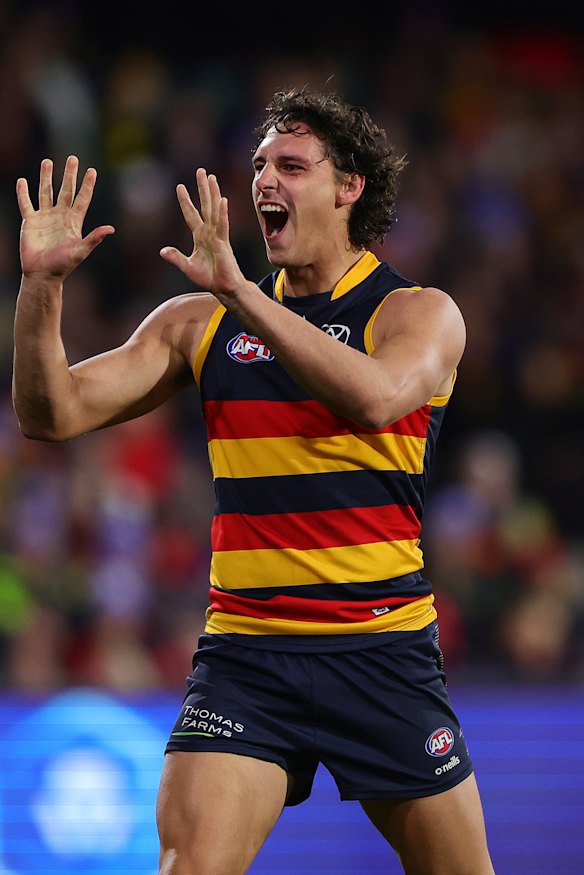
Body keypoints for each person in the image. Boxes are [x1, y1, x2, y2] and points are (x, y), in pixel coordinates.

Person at [13, 87, 495, 875]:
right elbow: (50, 413)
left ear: (349, 186)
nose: (265, 180)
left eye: (292, 166)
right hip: (249, 657)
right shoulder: (199, 324)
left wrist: (239, 293)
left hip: (382, 650)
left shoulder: (416, 313)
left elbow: (376, 397)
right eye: (261, 164)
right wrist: (42, 287)